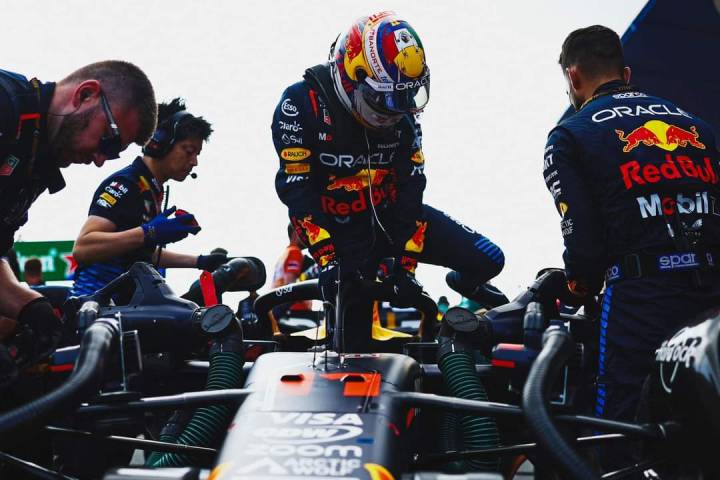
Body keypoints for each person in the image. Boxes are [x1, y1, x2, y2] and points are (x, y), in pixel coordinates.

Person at [544, 25, 720, 472]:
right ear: (625, 73)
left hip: (641, 300)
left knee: (617, 432)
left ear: (573, 77)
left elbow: (584, 245)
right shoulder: (699, 127)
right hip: (712, 300)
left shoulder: (570, 135)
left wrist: (578, 282)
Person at [271, 11, 506, 333]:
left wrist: (405, 268)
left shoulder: (404, 116)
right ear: (351, 76)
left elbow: (412, 190)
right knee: (350, 314)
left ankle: (461, 287)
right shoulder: (300, 103)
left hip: (390, 222)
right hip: (336, 231)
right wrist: (327, 259)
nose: (394, 109)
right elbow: (297, 191)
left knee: (490, 259)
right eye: (385, 97)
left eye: (403, 96)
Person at [0, 60, 157, 366]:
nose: (100, 160)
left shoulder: (35, 161)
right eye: (108, 140)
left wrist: (34, 307)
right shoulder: (7, 103)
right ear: (85, 95)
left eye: (113, 154)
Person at [71, 98, 224, 297]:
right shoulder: (125, 184)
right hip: (96, 307)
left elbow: (139, 254)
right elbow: (83, 247)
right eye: (189, 151)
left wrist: (200, 261)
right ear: (158, 143)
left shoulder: (151, 189)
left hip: (127, 306)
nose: (194, 162)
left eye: (197, 154)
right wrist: (149, 232)